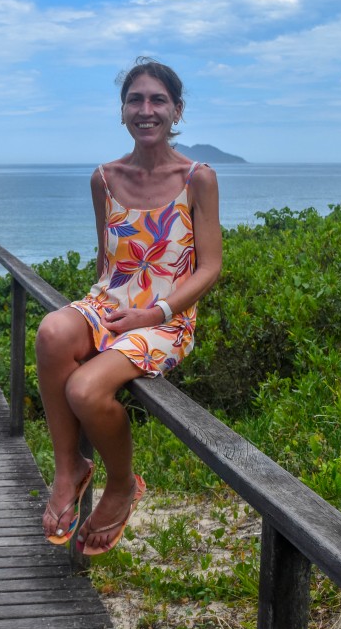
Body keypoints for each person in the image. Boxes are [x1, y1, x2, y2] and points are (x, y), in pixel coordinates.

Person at [35, 58, 222, 556]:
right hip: (111, 300)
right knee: (52, 332)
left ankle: (121, 483)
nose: (146, 109)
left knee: (85, 389)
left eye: (158, 100)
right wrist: (93, 319)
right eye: (135, 100)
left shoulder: (197, 178)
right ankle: (68, 467)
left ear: (176, 110)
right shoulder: (103, 178)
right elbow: (107, 258)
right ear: (121, 112)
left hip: (166, 318)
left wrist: (153, 313)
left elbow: (208, 268)